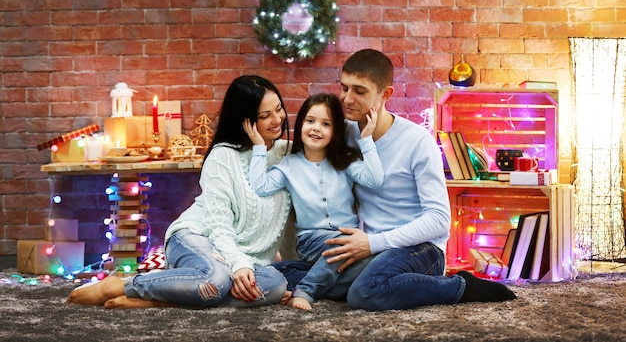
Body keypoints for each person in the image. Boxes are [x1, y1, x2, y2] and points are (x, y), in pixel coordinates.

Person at [66, 75, 295, 309]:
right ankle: (123, 285)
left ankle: (165, 300)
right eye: (265, 116)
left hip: (244, 260)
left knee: (276, 283)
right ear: (244, 120)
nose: (277, 119)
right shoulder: (223, 155)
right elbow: (219, 225)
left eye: (278, 109)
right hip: (197, 237)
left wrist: (244, 266)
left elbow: (288, 221)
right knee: (214, 280)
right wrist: (237, 264)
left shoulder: (288, 155)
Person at [319, 49, 518, 311]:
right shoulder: (345, 133)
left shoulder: (417, 141)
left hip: (422, 249)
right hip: (373, 249)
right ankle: (393, 281)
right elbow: (304, 151)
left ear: (385, 95)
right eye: (344, 88)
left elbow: (438, 219)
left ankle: (461, 286)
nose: (347, 98)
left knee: (364, 294)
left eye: (359, 91)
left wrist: (372, 243)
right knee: (306, 277)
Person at [243, 93, 383, 310]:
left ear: (335, 131)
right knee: (345, 248)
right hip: (311, 240)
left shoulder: (344, 161)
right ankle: (306, 290)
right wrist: (259, 147)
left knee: (375, 259)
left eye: (326, 124)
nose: (316, 128)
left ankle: (324, 287)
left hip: (349, 239)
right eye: (310, 121)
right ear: (301, 124)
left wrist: (366, 139)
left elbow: (374, 179)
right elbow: (261, 187)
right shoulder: (289, 165)